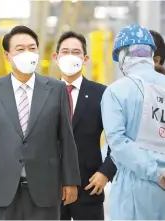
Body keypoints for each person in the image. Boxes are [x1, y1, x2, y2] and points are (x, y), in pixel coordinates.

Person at [0, 25, 80, 220]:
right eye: (20, 49)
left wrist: (71, 181)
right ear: (7, 55)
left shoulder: (56, 89)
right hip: (0, 187)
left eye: (32, 48)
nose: (27, 53)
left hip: (45, 187)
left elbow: (66, 139)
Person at [101, 24, 165, 220]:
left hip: (134, 188)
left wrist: (157, 173)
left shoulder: (116, 91)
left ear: (123, 55)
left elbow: (117, 143)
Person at [53, 31, 117, 220]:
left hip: (90, 185)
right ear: (56, 57)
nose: (70, 56)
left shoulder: (102, 94)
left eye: (76, 52)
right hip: (51, 189)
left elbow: (118, 138)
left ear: (85, 58)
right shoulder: (44, 93)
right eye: (65, 52)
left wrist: (105, 172)